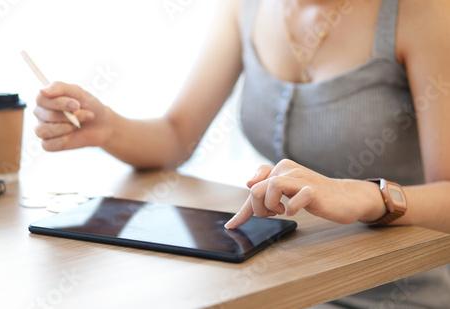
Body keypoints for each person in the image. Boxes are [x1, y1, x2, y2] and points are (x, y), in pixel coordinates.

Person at [34, 0, 450, 307]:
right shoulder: (245, 8)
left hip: (396, 289)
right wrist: (108, 127)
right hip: (276, 283)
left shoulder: (424, 12)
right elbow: (177, 135)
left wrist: (366, 195)